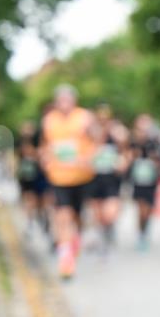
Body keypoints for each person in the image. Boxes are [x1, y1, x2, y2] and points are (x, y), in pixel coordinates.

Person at [40, 85, 97, 279]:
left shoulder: (84, 117)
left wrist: (90, 155)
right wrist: (45, 157)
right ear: (56, 102)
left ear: (74, 100)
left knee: (77, 218)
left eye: (67, 100)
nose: (64, 104)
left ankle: (75, 240)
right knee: (63, 216)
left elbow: (98, 139)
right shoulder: (49, 120)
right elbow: (45, 145)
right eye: (60, 100)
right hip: (58, 177)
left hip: (82, 176)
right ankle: (66, 261)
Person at [89, 104, 129, 254]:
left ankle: (109, 227)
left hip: (111, 179)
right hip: (94, 179)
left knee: (110, 213)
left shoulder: (117, 134)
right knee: (98, 213)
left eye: (106, 119)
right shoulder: (91, 135)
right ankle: (102, 233)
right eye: (100, 119)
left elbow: (126, 152)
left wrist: (123, 162)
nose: (103, 122)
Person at [128, 114, 160, 251]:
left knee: (148, 209)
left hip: (150, 181)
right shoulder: (132, 143)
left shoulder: (154, 144)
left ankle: (145, 229)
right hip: (138, 181)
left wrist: (155, 161)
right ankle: (140, 233)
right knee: (140, 209)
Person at [15, 120, 50, 239]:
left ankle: (43, 218)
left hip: (39, 175)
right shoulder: (19, 142)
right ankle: (29, 223)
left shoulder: (39, 141)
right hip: (26, 176)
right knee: (29, 200)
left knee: (42, 201)